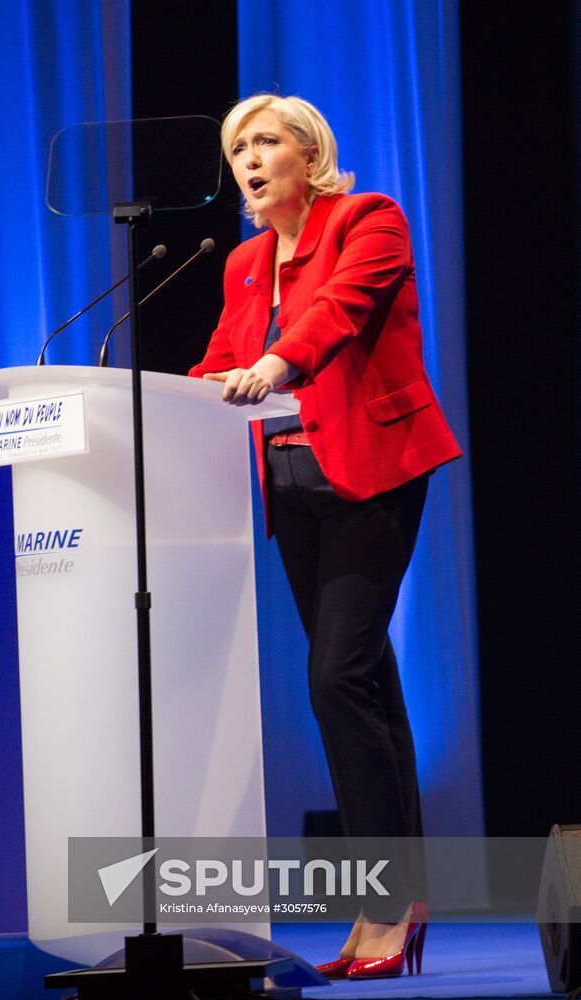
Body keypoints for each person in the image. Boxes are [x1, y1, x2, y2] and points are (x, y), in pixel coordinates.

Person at [188, 94, 461, 978]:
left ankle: (384, 905)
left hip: (372, 471)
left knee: (338, 677)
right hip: (290, 487)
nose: (250, 162)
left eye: (266, 143)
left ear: (310, 154)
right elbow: (219, 358)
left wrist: (275, 362)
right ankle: (395, 899)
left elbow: (338, 313)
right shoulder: (243, 263)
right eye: (238, 150)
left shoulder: (367, 219)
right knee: (368, 680)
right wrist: (153, 399)